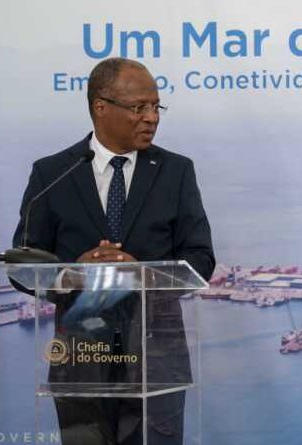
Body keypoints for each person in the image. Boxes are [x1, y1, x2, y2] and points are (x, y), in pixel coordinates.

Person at [12, 57, 214, 444]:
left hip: (157, 360)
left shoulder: (176, 171)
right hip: (81, 360)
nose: (152, 117)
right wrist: (73, 273)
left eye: (156, 106)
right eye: (139, 107)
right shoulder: (52, 174)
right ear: (101, 107)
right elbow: (23, 263)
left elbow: (201, 259)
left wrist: (142, 273)